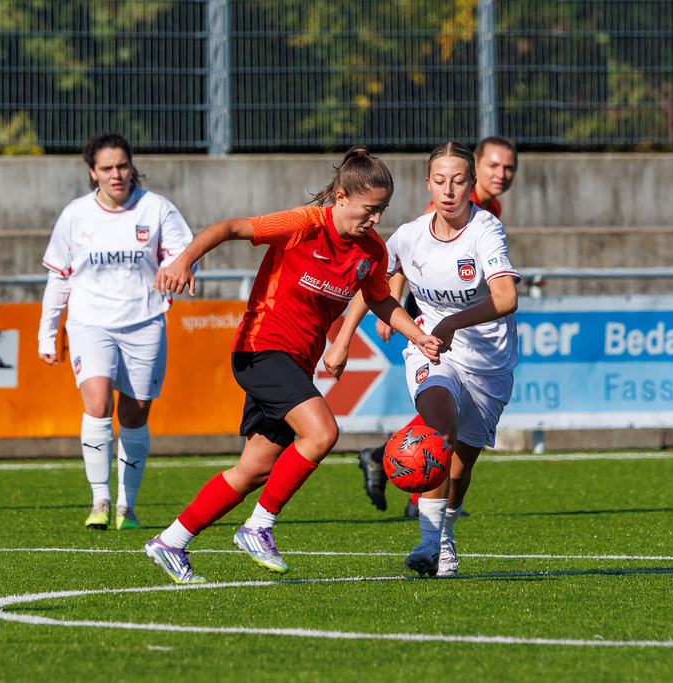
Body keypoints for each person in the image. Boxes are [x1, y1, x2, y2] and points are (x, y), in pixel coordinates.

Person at [142, 147, 443, 584]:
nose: (377, 219)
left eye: (383, 210)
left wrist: (417, 334)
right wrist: (184, 260)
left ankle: (171, 541)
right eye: (370, 209)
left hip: (295, 364)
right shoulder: (305, 224)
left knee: (254, 469)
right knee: (322, 432)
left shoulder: (372, 251)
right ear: (341, 197)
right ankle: (258, 528)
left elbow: (379, 298)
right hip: (260, 349)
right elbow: (229, 227)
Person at [325, 142, 519, 576]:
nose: (448, 190)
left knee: (460, 467)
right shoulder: (411, 233)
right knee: (437, 428)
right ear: (428, 183)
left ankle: (445, 536)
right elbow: (374, 276)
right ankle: (431, 546)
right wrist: (345, 337)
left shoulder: (486, 229)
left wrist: (454, 323)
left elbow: (506, 299)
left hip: (488, 359)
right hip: (431, 349)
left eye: (458, 181)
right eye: (439, 180)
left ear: (472, 185)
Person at [38, 132, 195, 531]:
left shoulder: (157, 209)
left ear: (131, 166)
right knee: (97, 404)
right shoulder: (75, 215)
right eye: (106, 168)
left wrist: (179, 267)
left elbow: (184, 253)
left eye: (122, 165)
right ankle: (100, 500)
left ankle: (127, 505)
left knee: (134, 414)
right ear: (93, 172)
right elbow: (59, 278)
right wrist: (47, 333)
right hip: (90, 323)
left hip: (145, 323)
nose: (116, 174)